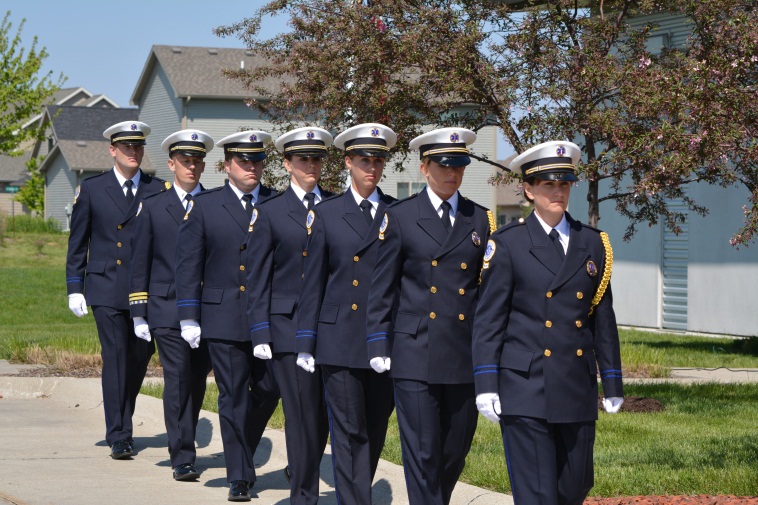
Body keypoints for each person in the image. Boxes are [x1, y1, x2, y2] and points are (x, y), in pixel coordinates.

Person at [471, 141, 624, 505]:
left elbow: (603, 317)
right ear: (528, 189)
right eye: (548, 185)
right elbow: (489, 320)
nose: (557, 192)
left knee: (575, 485)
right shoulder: (508, 244)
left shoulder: (594, 244)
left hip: (575, 385)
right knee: (537, 494)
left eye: (564, 184)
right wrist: (486, 382)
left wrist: (613, 380)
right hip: (526, 385)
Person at [365, 127, 495, 505]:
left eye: (458, 166)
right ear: (424, 168)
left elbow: (487, 292)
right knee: (422, 452)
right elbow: (383, 286)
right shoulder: (401, 217)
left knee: (454, 451)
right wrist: (378, 339)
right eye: (443, 165)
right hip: (414, 350)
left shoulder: (480, 219)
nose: (451, 173)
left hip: (462, 352)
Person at [174, 130, 280, 502]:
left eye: (257, 161)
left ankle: (241, 452)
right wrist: (188, 315)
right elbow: (189, 265)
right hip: (223, 317)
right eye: (244, 161)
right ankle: (239, 475)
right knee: (232, 395)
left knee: (269, 390)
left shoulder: (276, 203)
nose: (252, 167)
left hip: (269, 319)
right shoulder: (205, 206)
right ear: (228, 165)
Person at [295, 123, 397, 505]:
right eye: (364, 160)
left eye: (378, 160)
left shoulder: (395, 213)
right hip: (338, 337)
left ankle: (356, 493)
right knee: (350, 430)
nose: (372, 167)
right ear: (348, 162)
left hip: (384, 338)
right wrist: (306, 340)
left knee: (374, 425)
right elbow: (313, 283)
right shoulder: (327, 213)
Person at [66, 120, 166, 459]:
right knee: (116, 357)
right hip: (106, 286)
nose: (133, 152)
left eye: (138, 147)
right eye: (126, 147)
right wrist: (74, 286)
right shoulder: (93, 189)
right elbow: (78, 242)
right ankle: (119, 433)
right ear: (113, 150)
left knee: (141, 355)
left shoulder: (158, 190)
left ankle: (122, 412)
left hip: (145, 290)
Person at [245, 126, 334, 505]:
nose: (311, 165)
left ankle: (300, 471)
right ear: (287, 164)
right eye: (303, 159)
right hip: (286, 326)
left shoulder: (335, 207)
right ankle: (303, 495)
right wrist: (261, 332)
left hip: (328, 328)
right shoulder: (269, 213)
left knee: (324, 415)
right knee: (299, 413)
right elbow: (258, 277)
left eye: (316, 158)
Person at [128, 129, 214, 481]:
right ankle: (183, 455)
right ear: (171, 163)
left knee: (195, 381)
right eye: (184, 160)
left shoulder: (214, 204)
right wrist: (138, 311)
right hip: (166, 308)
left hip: (208, 309)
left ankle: (185, 438)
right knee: (177, 378)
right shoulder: (152, 207)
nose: (191, 166)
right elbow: (140, 261)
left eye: (196, 161)